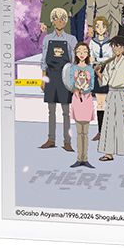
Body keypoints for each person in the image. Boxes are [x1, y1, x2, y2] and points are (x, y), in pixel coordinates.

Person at [96, 35, 124, 163]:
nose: (116, 49)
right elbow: (105, 81)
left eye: (119, 46)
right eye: (114, 46)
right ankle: (108, 153)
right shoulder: (109, 63)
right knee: (109, 123)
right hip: (111, 94)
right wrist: (98, 72)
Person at [39, 8, 77, 151]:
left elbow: (73, 62)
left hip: (65, 78)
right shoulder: (47, 39)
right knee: (51, 111)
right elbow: (44, 60)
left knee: (66, 112)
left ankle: (67, 142)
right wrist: (43, 79)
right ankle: (51, 139)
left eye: (62, 19)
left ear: (65, 21)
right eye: (56, 19)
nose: (59, 21)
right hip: (50, 77)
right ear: (52, 21)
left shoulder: (71, 39)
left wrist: (72, 81)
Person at [62, 42, 96, 168]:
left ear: (88, 54)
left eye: (84, 51)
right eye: (79, 51)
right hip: (76, 99)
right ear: (76, 53)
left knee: (85, 133)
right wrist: (77, 89)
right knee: (79, 132)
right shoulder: (73, 68)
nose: (82, 54)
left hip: (87, 100)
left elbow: (92, 85)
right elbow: (71, 83)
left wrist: (84, 90)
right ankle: (79, 158)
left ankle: (85, 158)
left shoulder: (90, 69)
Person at [88, 16, 113, 141]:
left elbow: (111, 57)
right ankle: (100, 131)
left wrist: (99, 61)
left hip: (108, 72)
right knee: (100, 104)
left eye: (103, 26)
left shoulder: (110, 42)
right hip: (96, 71)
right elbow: (90, 57)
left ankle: (111, 130)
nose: (100, 28)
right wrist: (94, 63)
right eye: (97, 26)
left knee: (110, 103)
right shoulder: (92, 42)